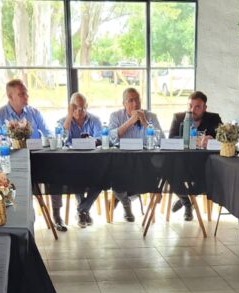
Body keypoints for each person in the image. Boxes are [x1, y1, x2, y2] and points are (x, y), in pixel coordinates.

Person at [107, 87, 161, 222]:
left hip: (144, 162)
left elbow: (161, 140)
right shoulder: (115, 116)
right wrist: (130, 121)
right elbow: (110, 139)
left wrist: (145, 123)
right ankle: (126, 203)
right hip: (122, 160)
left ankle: (125, 198)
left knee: (149, 174)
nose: (135, 104)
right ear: (124, 103)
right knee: (111, 171)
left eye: (137, 100)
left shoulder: (151, 117)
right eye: (131, 100)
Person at [169, 91, 224, 220]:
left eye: (197, 107)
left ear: (205, 108)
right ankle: (187, 203)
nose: (192, 110)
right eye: (190, 106)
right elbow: (171, 139)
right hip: (182, 162)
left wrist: (212, 138)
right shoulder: (178, 117)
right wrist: (186, 139)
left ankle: (185, 200)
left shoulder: (214, 118)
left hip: (205, 163)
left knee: (212, 175)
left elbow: (224, 139)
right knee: (168, 171)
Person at [55, 92, 103, 227]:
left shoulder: (95, 120)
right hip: (73, 164)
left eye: (81, 108)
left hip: (93, 163)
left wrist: (93, 141)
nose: (78, 111)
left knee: (104, 177)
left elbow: (101, 138)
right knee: (75, 175)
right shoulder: (63, 121)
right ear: (70, 108)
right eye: (74, 108)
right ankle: (83, 212)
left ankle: (82, 210)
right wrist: (69, 117)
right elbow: (61, 140)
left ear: (86, 106)